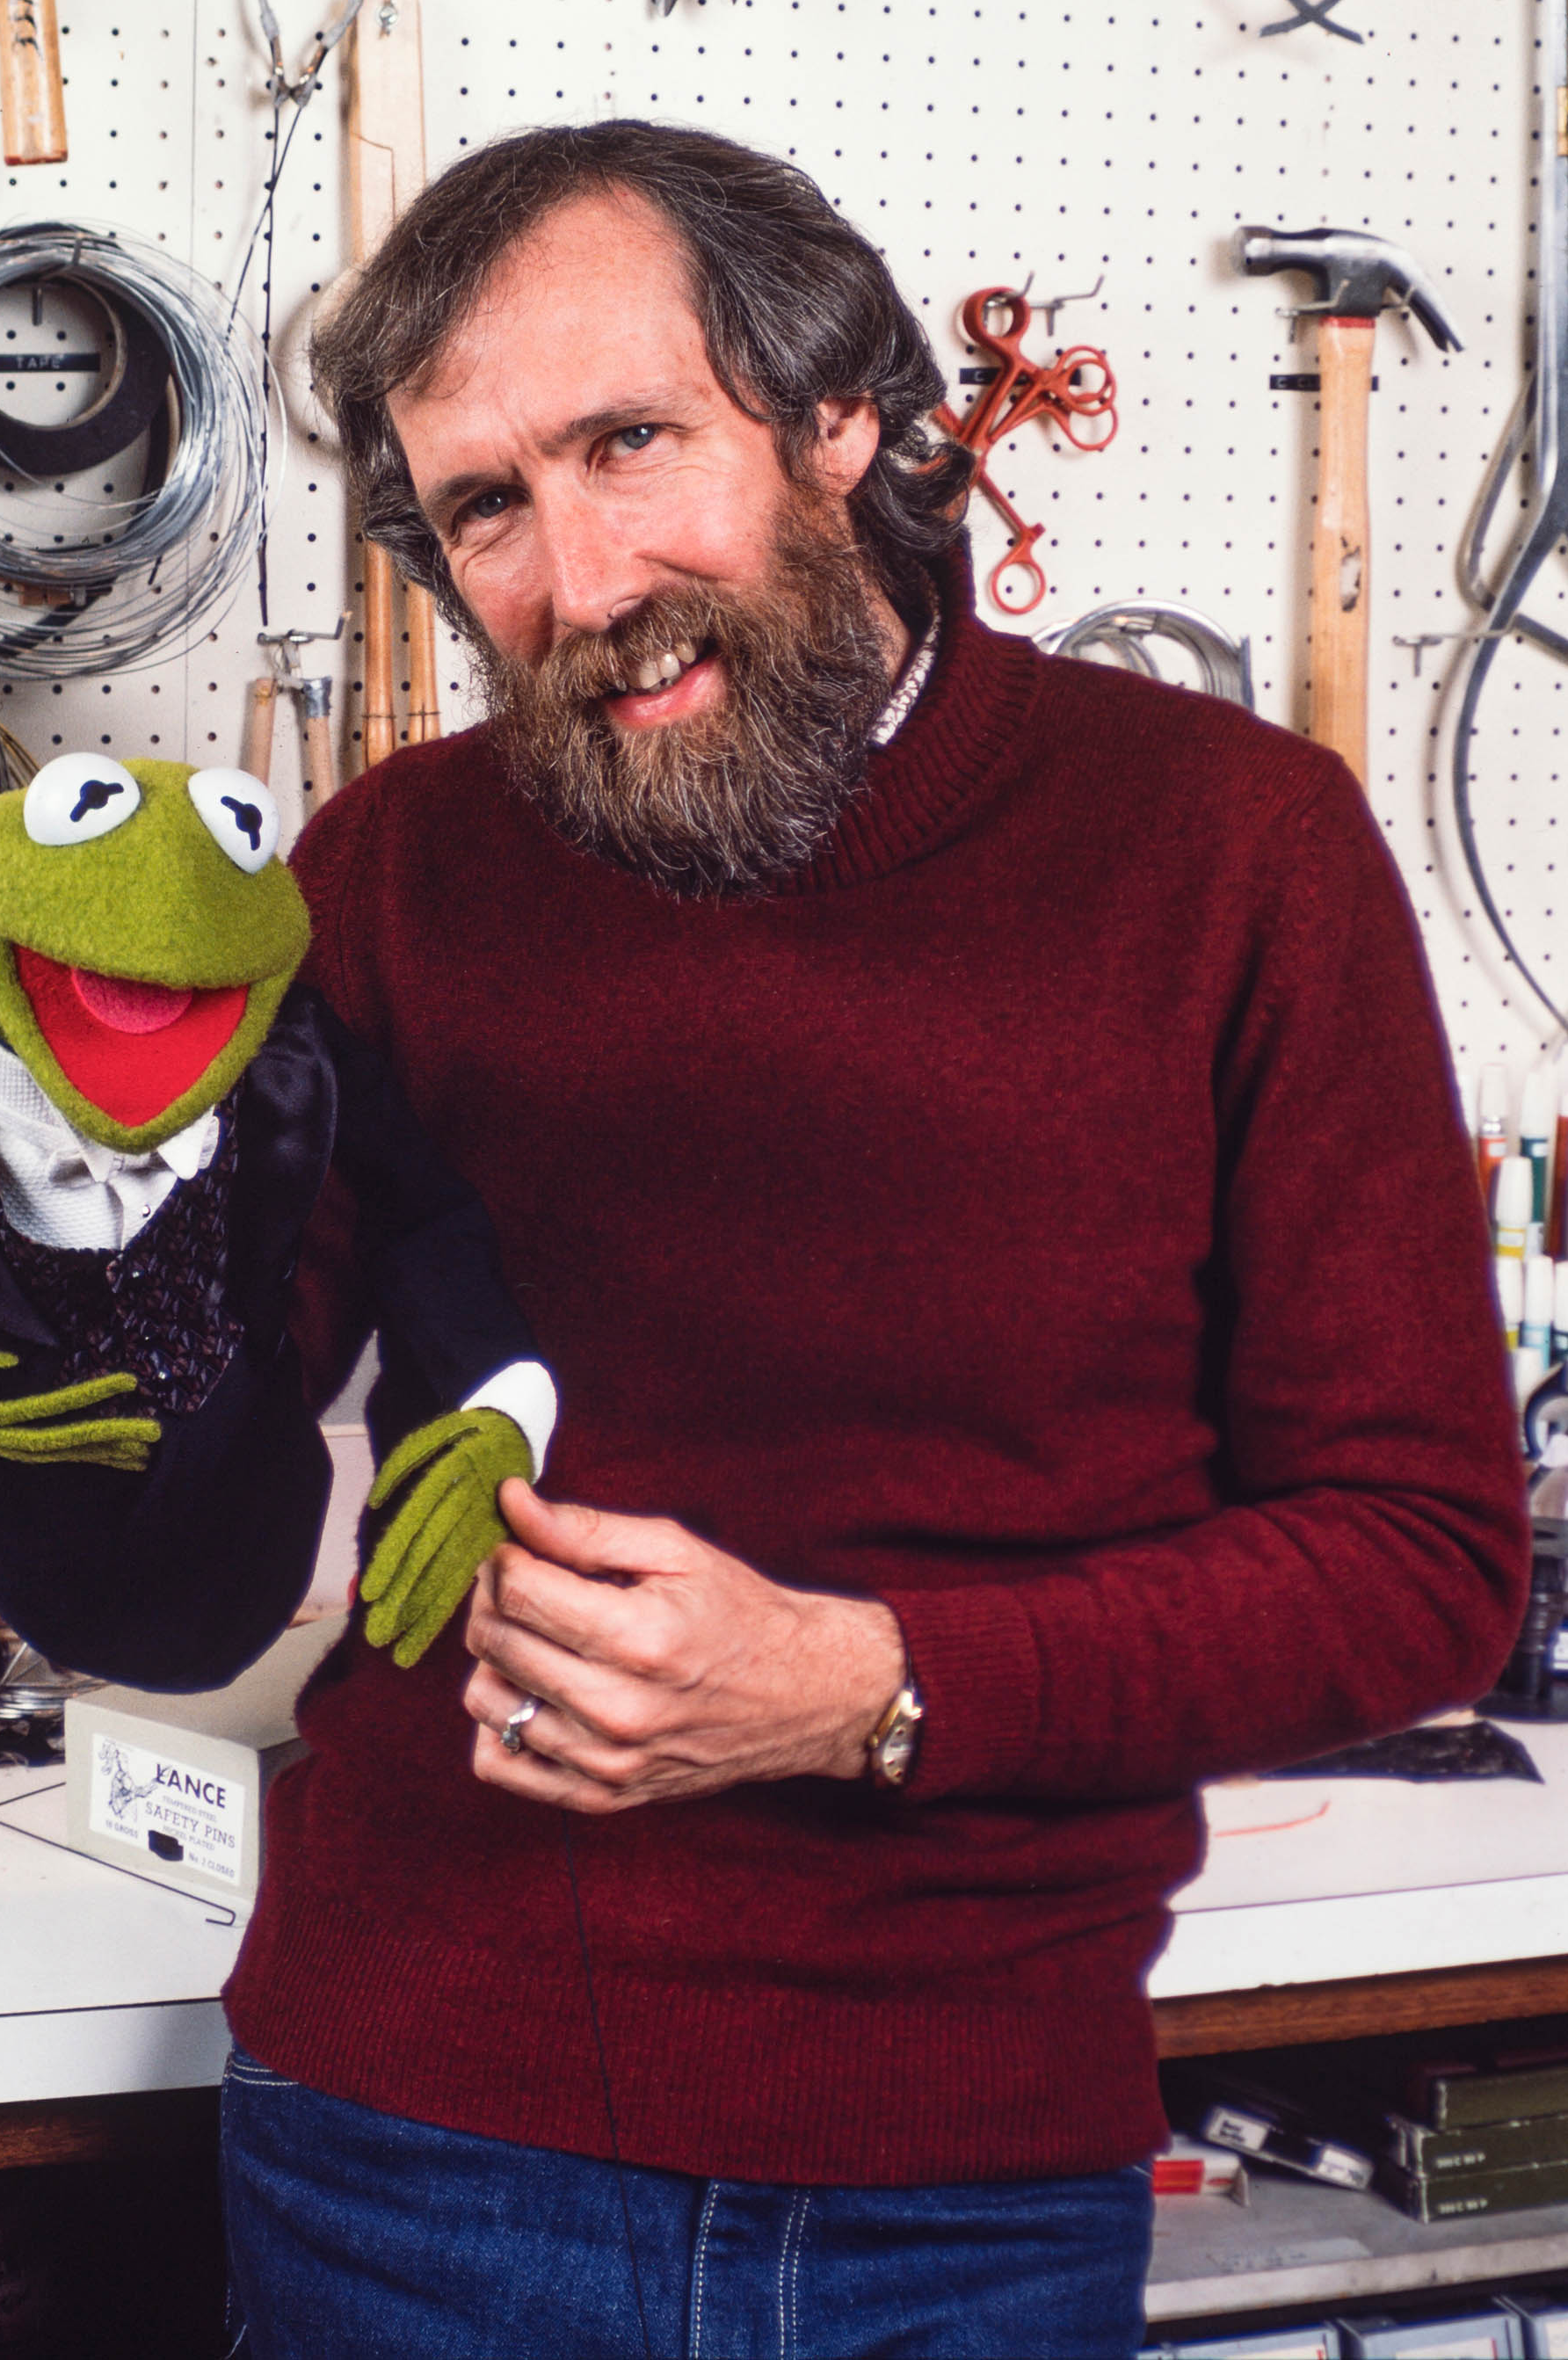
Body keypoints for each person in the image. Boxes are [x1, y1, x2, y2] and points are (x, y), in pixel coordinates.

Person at [214, 121, 1528, 2360]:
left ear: (839, 419)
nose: (582, 578)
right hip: (411, 2144)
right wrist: (32, 1204)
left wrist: (871, 1684)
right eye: (488, 507)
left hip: (970, 2188)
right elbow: (181, 1462)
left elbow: (1420, 1560)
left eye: (632, 442)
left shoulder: (1236, 852)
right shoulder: (393, 869)